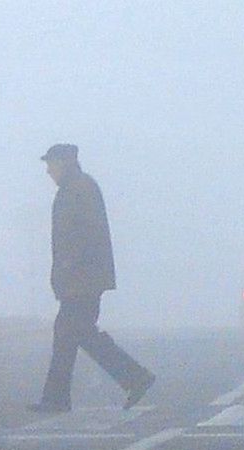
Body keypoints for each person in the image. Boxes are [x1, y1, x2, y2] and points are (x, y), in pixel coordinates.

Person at [29, 143, 155, 413]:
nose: (48, 171)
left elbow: (83, 237)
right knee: (72, 333)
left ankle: (133, 377)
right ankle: (59, 397)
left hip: (82, 280)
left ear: (64, 162)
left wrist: (69, 268)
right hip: (80, 278)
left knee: (74, 332)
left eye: (51, 164)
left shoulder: (78, 189)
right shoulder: (76, 188)